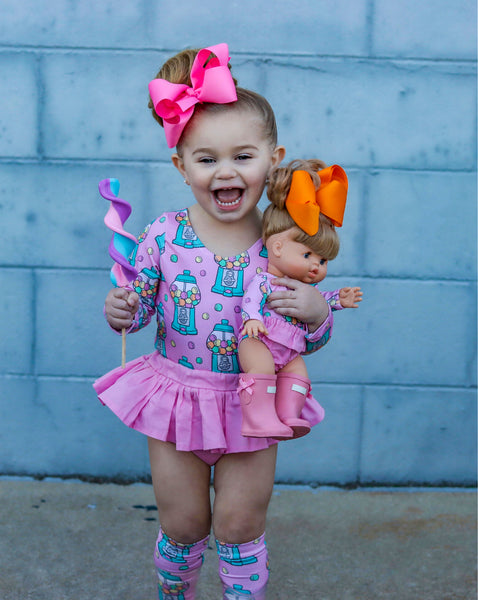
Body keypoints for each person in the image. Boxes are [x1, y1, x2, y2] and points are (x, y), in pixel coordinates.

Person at [94, 44, 335, 600]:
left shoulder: (284, 245)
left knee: (239, 524)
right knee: (183, 524)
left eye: (243, 156)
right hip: (178, 399)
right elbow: (142, 306)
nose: (226, 171)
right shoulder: (163, 235)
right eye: (206, 159)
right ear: (181, 167)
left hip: (253, 405)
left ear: (273, 158)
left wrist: (318, 313)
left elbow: (308, 337)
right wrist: (121, 309)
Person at [238, 159, 363, 440]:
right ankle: (258, 419)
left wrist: (336, 300)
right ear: (277, 247)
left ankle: (288, 415)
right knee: (262, 369)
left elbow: (317, 301)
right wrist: (253, 319)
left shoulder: (303, 289)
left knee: (298, 374)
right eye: (307, 255)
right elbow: (251, 299)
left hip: (289, 347)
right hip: (259, 340)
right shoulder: (265, 281)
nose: (316, 265)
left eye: (323, 260)